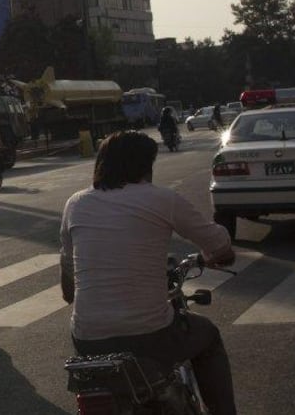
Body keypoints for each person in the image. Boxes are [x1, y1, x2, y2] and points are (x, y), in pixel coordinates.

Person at [60, 131, 237, 414]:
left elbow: (68, 276)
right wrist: (221, 255)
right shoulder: (161, 199)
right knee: (208, 335)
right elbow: (218, 243)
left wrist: (74, 292)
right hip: (149, 334)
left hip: (86, 338)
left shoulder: (76, 203)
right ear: (145, 166)